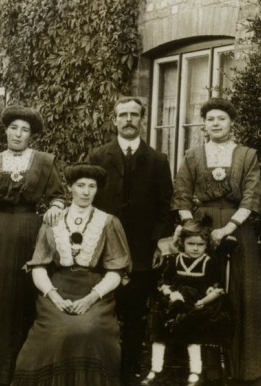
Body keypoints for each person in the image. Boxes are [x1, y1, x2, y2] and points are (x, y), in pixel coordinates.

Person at [0, 105, 66, 385]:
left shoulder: (44, 162)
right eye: (14, 128)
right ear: (5, 131)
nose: (18, 134)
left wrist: (55, 208)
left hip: (30, 237)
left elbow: (58, 195)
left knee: (25, 298)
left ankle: (23, 370)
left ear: (31, 135)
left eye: (25, 130)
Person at [172, 97, 261, 383]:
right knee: (200, 290)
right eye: (210, 119)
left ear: (232, 123)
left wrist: (228, 228)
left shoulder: (247, 155)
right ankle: (204, 367)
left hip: (237, 228)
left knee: (242, 291)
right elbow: (181, 194)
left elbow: (253, 196)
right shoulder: (192, 155)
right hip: (200, 228)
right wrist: (192, 229)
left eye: (221, 119)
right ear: (204, 125)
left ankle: (245, 367)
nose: (215, 123)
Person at [11, 163, 131, 386]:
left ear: (97, 190)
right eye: (80, 185)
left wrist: (89, 300)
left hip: (94, 292)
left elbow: (115, 271)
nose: (86, 192)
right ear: (70, 188)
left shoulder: (108, 222)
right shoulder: (53, 220)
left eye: (92, 186)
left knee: (89, 329)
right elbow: (38, 266)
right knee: (58, 331)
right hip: (57, 290)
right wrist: (54, 297)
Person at [87, 96, 173, 384]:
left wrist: (159, 241)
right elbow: (89, 201)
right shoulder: (99, 157)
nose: (128, 120)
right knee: (104, 309)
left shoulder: (158, 160)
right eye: (122, 115)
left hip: (141, 250)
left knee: (135, 313)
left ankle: (129, 369)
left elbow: (165, 207)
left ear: (142, 120)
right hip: (103, 248)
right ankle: (103, 366)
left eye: (134, 115)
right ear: (114, 120)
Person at [141, 219, 232, 386]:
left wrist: (203, 301)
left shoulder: (208, 262)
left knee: (192, 327)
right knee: (159, 321)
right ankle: (156, 368)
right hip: (177, 302)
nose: (196, 248)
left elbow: (217, 289)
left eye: (200, 245)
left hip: (200, 304)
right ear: (182, 243)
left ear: (206, 245)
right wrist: (171, 294)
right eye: (191, 244)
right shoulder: (176, 260)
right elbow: (165, 283)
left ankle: (195, 370)